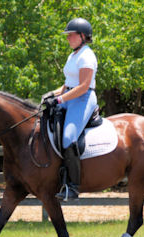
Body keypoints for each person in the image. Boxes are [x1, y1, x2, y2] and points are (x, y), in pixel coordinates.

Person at [43, 18, 98, 201]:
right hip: (69, 96)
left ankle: (73, 187)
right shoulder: (73, 55)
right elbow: (68, 84)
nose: (68, 38)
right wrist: (51, 94)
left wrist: (59, 99)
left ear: (83, 36)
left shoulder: (87, 56)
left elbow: (82, 86)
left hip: (83, 99)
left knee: (68, 137)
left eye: (71, 35)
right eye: (68, 35)